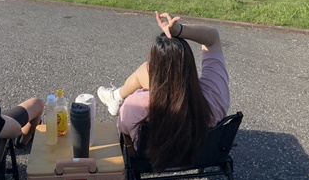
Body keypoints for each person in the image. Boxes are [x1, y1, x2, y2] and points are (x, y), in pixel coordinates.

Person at [97, 12, 229, 171]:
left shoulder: (137, 104)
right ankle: (115, 96)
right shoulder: (215, 92)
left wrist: (145, 91)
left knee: (143, 71)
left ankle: (116, 97)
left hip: (154, 160)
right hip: (202, 156)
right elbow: (213, 38)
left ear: (155, 71)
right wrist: (180, 30)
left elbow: (123, 129)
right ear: (189, 64)